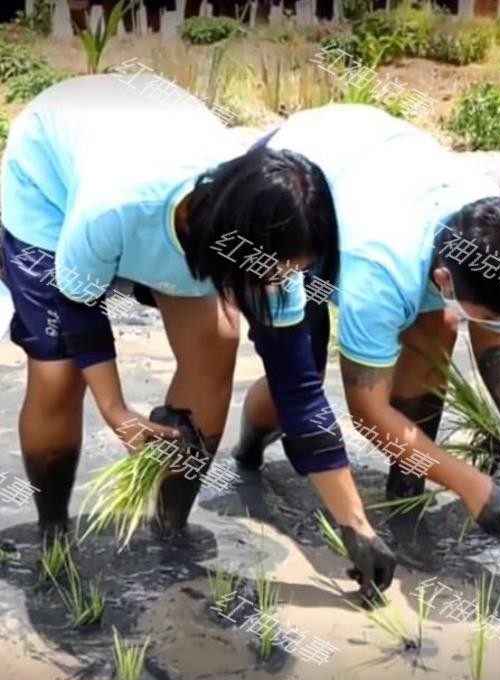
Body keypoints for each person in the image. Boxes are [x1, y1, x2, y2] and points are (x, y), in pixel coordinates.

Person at [0, 75, 394, 601]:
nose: (278, 284)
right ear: (230, 247)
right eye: (268, 272)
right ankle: (53, 531)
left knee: (216, 341)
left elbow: (300, 395)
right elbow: (80, 309)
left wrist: (356, 527)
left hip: (156, 151)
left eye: (288, 272)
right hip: (51, 185)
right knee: (59, 375)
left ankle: (170, 524)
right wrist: (117, 410)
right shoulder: (115, 207)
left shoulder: (271, 258)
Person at [233, 104, 500, 538]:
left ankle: (405, 493)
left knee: (438, 327)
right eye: (489, 312)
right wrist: (468, 482)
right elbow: (368, 412)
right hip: (288, 199)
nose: (497, 322)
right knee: (298, 380)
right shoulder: (382, 274)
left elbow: (496, 327)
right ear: (445, 278)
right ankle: (247, 454)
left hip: (370, 166)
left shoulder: (495, 227)